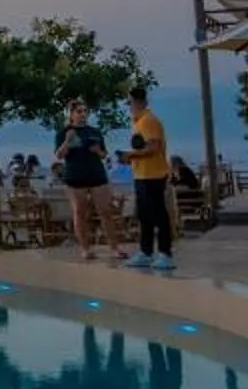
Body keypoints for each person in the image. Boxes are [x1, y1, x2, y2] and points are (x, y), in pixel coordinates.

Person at [56, 100, 124, 262]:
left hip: (97, 176)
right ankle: (86, 249)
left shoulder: (94, 132)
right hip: (75, 177)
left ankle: (114, 248)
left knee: (105, 212)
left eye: (84, 111)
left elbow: (104, 154)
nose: (82, 114)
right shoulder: (64, 133)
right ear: (71, 114)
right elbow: (59, 155)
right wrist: (67, 141)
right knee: (79, 213)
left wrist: (98, 151)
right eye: (78, 111)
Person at [125, 84, 177, 272]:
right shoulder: (138, 122)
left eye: (130, 102)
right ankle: (146, 251)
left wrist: (130, 155)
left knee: (158, 214)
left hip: (153, 175)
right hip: (141, 174)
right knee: (144, 215)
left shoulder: (148, 121)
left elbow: (153, 148)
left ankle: (165, 252)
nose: (130, 106)